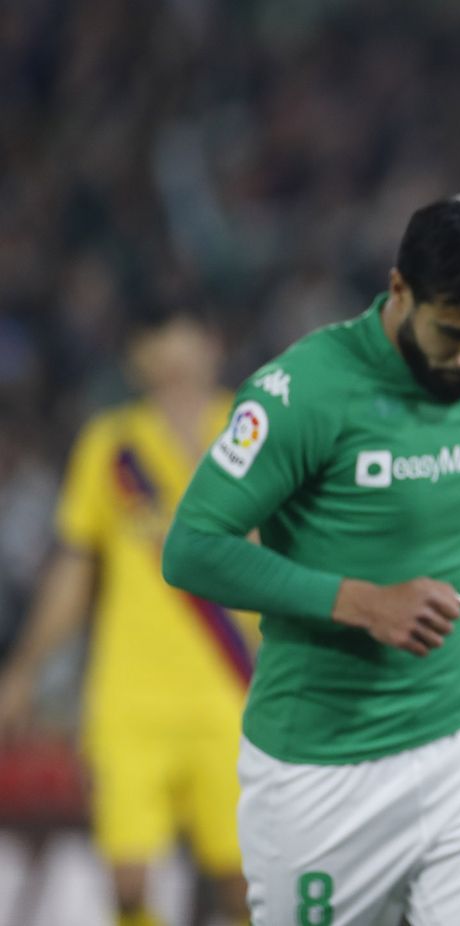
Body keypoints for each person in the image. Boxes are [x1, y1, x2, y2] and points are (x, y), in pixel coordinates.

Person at [162, 193, 460, 926]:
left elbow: (456, 513)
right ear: (399, 291)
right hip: (322, 770)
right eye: (456, 334)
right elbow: (192, 549)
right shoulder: (303, 393)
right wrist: (361, 601)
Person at [0, 306, 250, 926]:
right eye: (154, 338)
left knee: (240, 882)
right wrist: (25, 671)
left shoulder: (252, 430)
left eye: (183, 333)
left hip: (233, 691)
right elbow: (74, 571)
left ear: (213, 344)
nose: (170, 353)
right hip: (129, 696)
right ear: (135, 357)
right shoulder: (110, 446)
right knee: (129, 879)